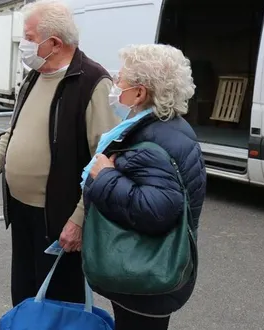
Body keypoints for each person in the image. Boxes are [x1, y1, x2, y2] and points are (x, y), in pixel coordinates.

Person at [0, 0, 120, 307]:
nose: (22, 44)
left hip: (59, 218)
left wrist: (79, 220)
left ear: (53, 43)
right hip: (23, 211)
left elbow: (105, 160)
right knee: (25, 299)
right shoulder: (36, 74)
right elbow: (15, 128)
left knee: (58, 306)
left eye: (28, 36)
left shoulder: (91, 81)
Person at [82, 44, 206, 330]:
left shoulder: (151, 141)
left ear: (140, 93)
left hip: (145, 276)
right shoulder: (167, 127)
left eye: (121, 79)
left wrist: (104, 177)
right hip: (151, 271)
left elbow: (156, 210)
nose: (115, 84)